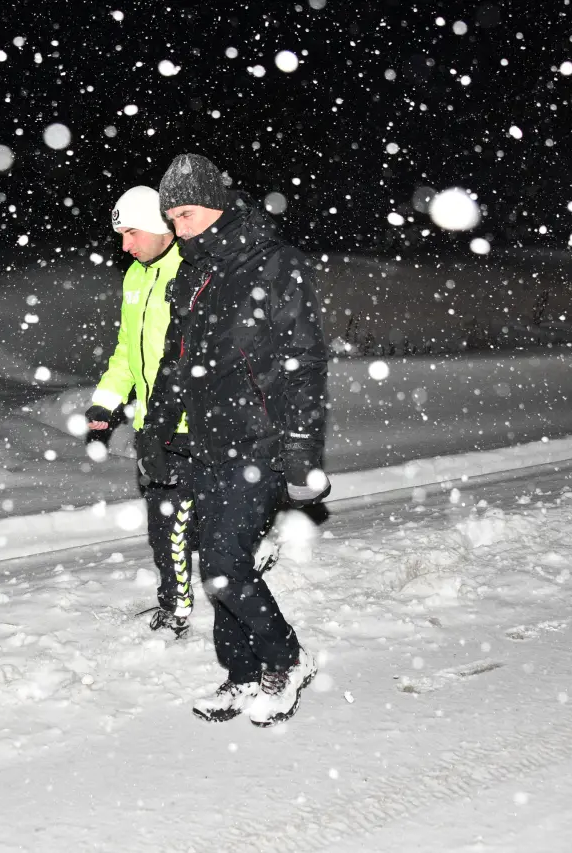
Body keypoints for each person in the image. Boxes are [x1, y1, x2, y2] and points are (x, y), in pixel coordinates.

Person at [139, 153, 329, 726]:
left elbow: (304, 362)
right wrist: (155, 430)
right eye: (172, 218)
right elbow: (176, 363)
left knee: (223, 561)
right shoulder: (192, 275)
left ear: (219, 207)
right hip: (204, 442)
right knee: (221, 560)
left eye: (188, 213)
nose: (179, 228)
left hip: (261, 442)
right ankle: (242, 675)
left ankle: (287, 657)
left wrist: (301, 451)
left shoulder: (275, 264)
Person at [84, 186, 195, 638]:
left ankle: (177, 610)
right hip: (153, 426)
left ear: (159, 226)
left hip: (196, 425)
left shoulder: (192, 272)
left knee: (180, 522)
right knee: (163, 524)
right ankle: (177, 598)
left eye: (130, 232)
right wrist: (107, 401)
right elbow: (128, 352)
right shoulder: (135, 276)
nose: (125, 245)